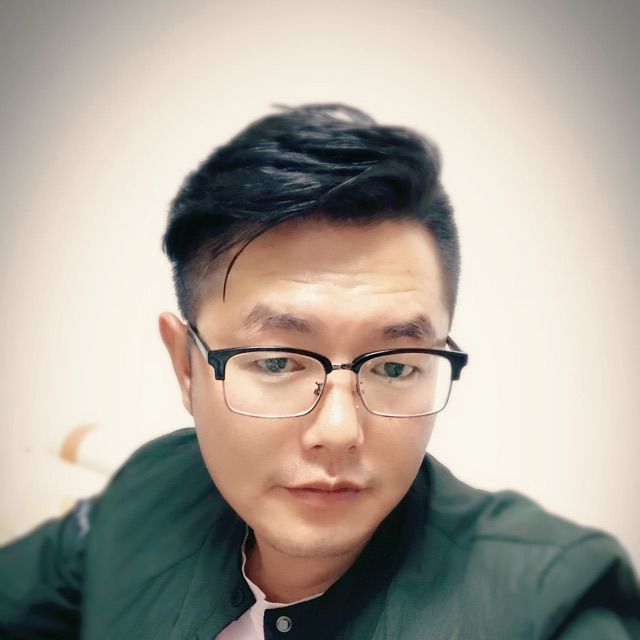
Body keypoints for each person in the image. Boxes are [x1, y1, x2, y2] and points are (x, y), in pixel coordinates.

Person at [0, 104, 638, 639]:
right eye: (277, 361)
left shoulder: (547, 603)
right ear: (186, 367)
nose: (338, 432)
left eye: (394, 366)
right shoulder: (153, 485)